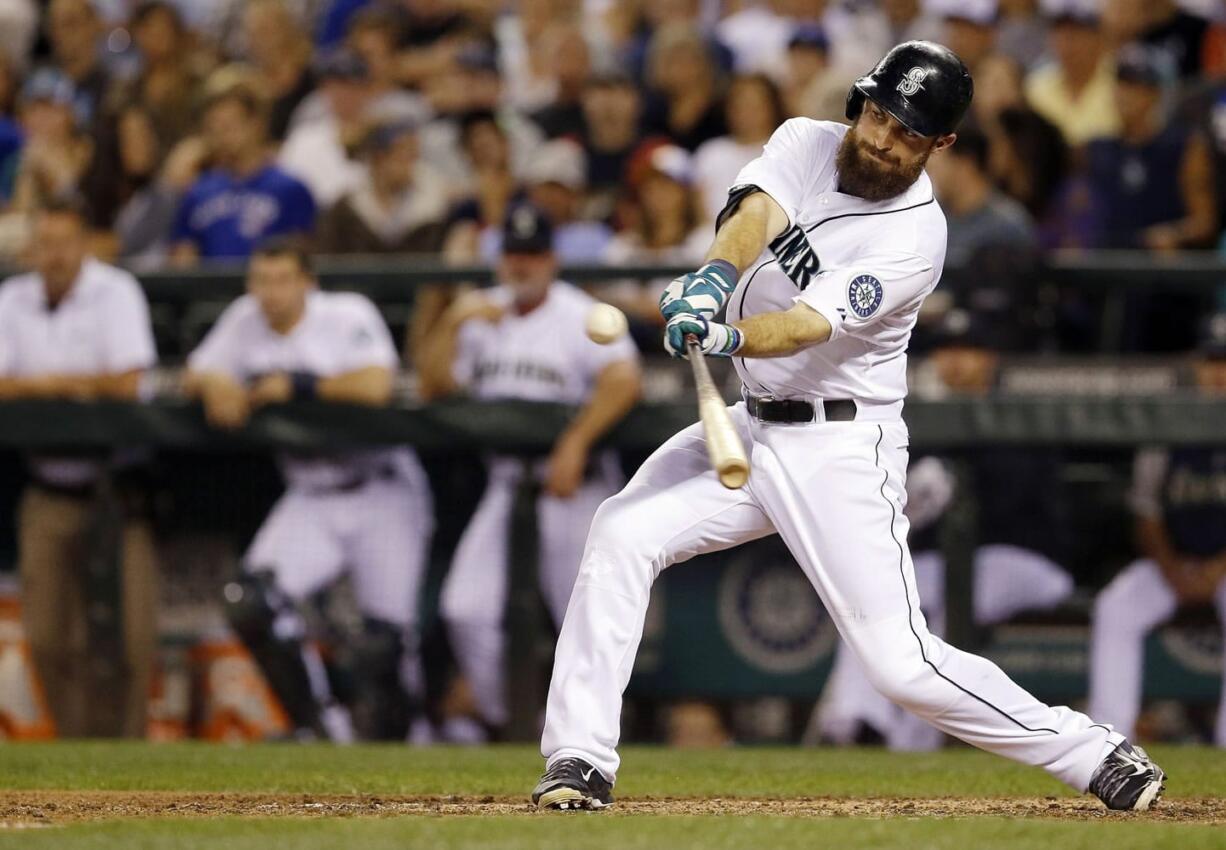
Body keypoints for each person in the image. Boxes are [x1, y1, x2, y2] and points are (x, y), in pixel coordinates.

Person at [529, 41, 1166, 814]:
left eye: (907, 133)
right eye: (878, 115)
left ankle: (1094, 753)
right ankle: (579, 758)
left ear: (942, 145)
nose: (882, 138)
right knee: (623, 532)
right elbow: (753, 214)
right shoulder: (804, 141)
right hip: (754, 423)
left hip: (839, 449)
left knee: (901, 667)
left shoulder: (913, 237)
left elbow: (802, 324)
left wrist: (726, 335)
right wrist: (711, 281)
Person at [183, 239, 433, 741]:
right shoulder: (244, 319)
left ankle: (414, 745)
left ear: (307, 283)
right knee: (251, 600)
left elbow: (375, 385)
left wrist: (298, 386)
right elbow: (196, 371)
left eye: (282, 281)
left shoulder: (344, 314)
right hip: (310, 497)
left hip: (378, 489)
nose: (270, 293)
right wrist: (216, 385)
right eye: (261, 281)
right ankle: (321, 726)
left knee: (386, 644)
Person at [418, 203, 641, 742]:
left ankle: (595, 736)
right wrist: (452, 319)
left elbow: (623, 379)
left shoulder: (577, 312)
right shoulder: (480, 313)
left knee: (585, 620)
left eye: (532, 254)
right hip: (506, 484)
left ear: (551, 259)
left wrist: (575, 442)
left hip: (571, 487)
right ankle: (516, 724)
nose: (521, 265)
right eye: (513, 254)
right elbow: (432, 386)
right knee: (465, 609)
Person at [0, 198, 158, 738]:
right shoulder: (12, 297)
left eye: (64, 243)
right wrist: (69, 384)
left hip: (117, 488)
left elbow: (127, 383)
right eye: (44, 244)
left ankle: (128, 758)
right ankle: (79, 752)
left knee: (130, 641)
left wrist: (40, 387)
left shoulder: (116, 291)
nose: (54, 255)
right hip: (47, 488)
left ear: (84, 245)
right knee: (45, 636)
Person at [811, 455, 1074, 751]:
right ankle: (855, 721)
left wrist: (958, 479)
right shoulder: (917, 421)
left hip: (1030, 557)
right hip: (955, 561)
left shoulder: (1015, 424)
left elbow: (1010, 493)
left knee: (960, 594)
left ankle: (915, 742)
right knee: (873, 587)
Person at [1088, 317, 1226, 748]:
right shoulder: (1170, 424)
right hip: (1176, 563)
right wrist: (1173, 571)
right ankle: (1109, 742)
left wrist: (1217, 569)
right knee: (1116, 606)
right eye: (1211, 362)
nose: (1218, 373)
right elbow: (1146, 512)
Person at [170, 85, 316, 263]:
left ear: (256, 125)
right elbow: (183, 256)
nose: (221, 136)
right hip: (210, 289)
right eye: (213, 128)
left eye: (229, 126)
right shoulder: (198, 191)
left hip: (269, 287)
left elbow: (303, 256)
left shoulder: (289, 189)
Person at [314, 119, 450, 255]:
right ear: (379, 158)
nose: (412, 163)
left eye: (415, 155)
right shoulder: (344, 211)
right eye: (404, 154)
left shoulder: (433, 209)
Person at [693, 73, 788, 224]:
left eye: (754, 105)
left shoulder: (786, 151)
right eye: (738, 105)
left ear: (772, 107)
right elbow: (698, 210)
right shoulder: (711, 152)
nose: (745, 113)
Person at [1023, 3, 1120, 147]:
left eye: (1077, 33)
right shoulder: (1036, 86)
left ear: (1100, 37)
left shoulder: (1121, 83)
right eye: (1061, 33)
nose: (1068, 43)